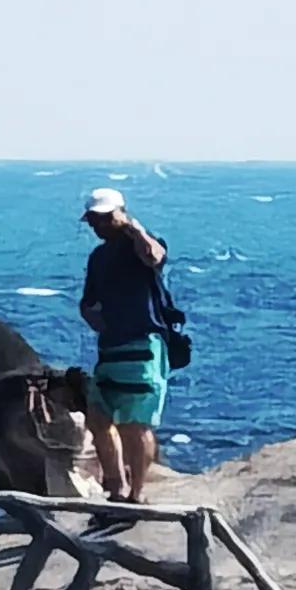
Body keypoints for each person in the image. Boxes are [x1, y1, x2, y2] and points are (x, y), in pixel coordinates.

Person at [76, 185, 176, 503]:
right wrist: (100, 323)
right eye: (94, 221)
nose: (98, 226)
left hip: (142, 345)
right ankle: (116, 487)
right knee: (99, 417)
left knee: (135, 423)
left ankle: (136, 493)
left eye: (104, 218)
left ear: (120, 213)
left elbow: (155, 257)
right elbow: (88, 302)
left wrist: (135, 230)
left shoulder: (139, 245)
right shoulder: (99, 257)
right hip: (112, 346)